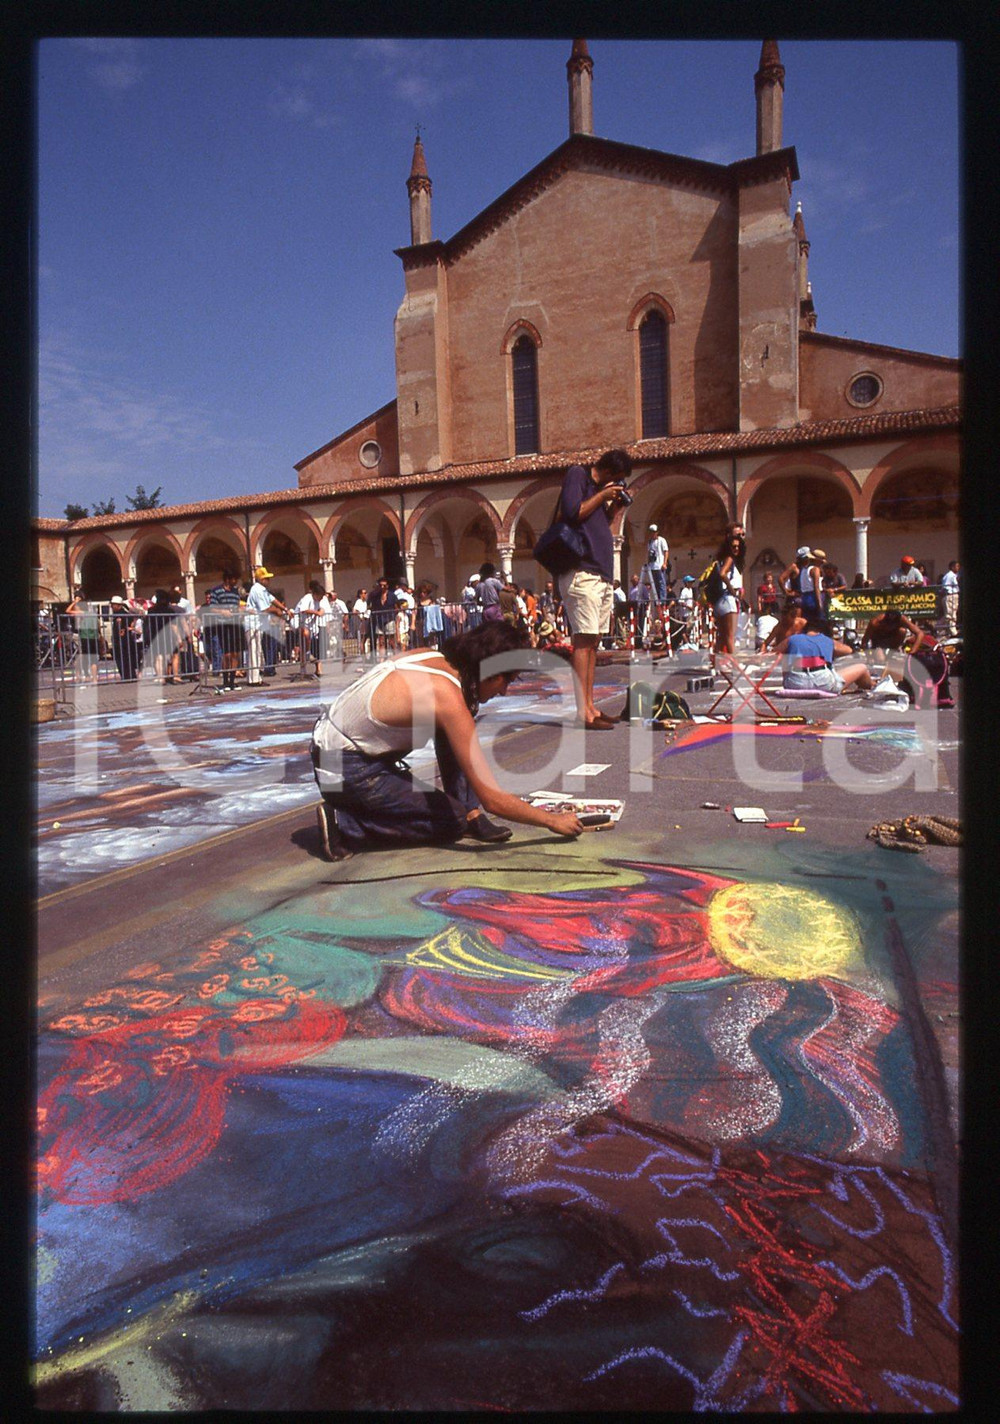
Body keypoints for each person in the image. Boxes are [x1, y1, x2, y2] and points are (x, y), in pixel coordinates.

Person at [311, 620, 585, 858]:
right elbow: (494, 799)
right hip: (346, 769)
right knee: (452, 822)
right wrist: (552, 821)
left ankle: (470, 813)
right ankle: (346, 826)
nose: (504, 691)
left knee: (455, 727)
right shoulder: (446, 697)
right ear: (489, 672)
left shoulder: (433, 659)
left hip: (333, 749)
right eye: (506, 681)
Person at [558, 448, 632, 726]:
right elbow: (573, 512)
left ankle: (591, 707)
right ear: (610, 472)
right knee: (583, 641)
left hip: (599, 574)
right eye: (619, 479)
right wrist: (602, 495)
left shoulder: (598, 493)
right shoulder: (578, 476)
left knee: (593, 642)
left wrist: (615, 507)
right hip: (581, 571)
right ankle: (583, 713)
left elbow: (599, 524)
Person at [861, 610, 954, 708]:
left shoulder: (902, 619)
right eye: (888, 625)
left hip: (893, 640)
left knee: (902, 631)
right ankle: (882, 657)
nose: (890, 627)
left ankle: (894, 651)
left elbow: (920, 633)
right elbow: (865, 640)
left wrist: (912, 652)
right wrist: (869, 657)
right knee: (880, 659)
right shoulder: (875, 622)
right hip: (878, 641)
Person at [776, 615, 873, 694]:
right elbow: (848, 650)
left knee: (787, 657)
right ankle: (871, 684)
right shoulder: (827, 640)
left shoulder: (792, 639)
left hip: (794, 684)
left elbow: (774, 652)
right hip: (823, 683)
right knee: (862, 667)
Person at [244, 567, 289, 685]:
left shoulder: (263, 590)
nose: (269, 580)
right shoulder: (257, 590)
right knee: (254, 651)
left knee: (257, 651)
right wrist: (278, 612)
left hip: (258, 624)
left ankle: (255, 677)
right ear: (261, 579)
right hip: (253, 624)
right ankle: (254, 680)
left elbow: (272, 599)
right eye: (266, 578)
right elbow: (265, 608)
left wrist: (284, 608)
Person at [203, 568, 243, 692]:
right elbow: (212, 608)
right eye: (233, 579)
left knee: (235, 653)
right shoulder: (216, 591)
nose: (235, 581)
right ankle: (225, 681)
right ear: (227, 579)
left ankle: (232, 681)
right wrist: (223, 612)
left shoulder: (235, 592)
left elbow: (237, 606)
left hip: (235, 624)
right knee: (226, 654)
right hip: (223, 625)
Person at [712, 527, 746, 656]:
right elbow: (722, 574)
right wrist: (733, 590)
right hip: (729, 600)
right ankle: (735, 667)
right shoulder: (730, 559)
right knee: (730, 636)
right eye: (733, 547)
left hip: (720, 601)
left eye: (738, 547)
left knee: (721, 636)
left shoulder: (720, 560)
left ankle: (715, 665)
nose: (736, 549)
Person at [296, 580, 333, 675]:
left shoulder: (319, 601)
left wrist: (321, 610)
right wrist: (317, 613)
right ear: (315, 594)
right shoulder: (307, 598)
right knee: (305, 636)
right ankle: (306, 659)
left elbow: (321, 609)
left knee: (317, 647)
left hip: (313, 625)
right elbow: (303, 609)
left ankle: (318, 668)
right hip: (302, 622)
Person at [109, 595, 140, 681]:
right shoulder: (116, 615)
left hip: (124, 642)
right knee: (122, 660)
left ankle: (128, 676)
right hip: (120, 642)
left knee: (125, 660)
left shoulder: (122, 614)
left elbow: (126, 627)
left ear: (119, 605)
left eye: (114, 604)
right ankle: (126, 676)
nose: (112, 606)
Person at [646, 524, 669, 606]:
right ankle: (657, 599)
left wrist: (664, 563)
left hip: (659, 565)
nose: (653, 534)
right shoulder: (650, 542)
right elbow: (649, 553)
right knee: (655, 584)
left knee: (661, 583)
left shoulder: (661, 540)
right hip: (653, 566)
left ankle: (662, 600)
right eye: (651, 532)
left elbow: (666, 551)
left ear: (657, 532)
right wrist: (648, 562)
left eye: (654, 532)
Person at [940, 560, 960, 638]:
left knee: (953, 613)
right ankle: (953, 632)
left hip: (954, 595)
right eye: (957, 566)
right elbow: (945, 586)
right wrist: (949, 593)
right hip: (950, 595)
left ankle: (947, 630)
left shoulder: (954, 575)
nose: (958, 568)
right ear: (952, 567)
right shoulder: (949, 576)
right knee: (950, 615)